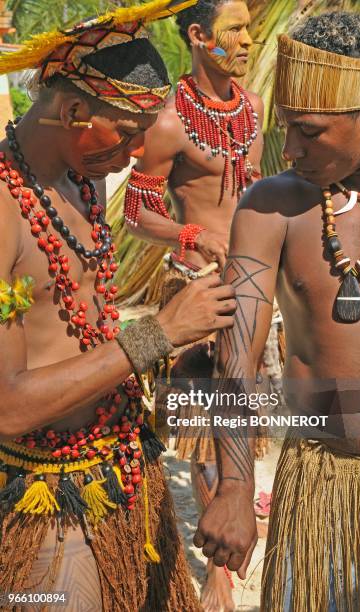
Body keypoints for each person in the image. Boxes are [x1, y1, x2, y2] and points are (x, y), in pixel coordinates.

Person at [0, 2, 237, 610]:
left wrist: (171, 354)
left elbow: (85, 322)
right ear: (75, 111)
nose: (135, 153)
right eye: (127, 132)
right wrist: (156, 333)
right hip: (46, 495)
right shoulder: (3, 208)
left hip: (129, 474)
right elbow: (7, 406)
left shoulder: (86, 176)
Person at [194, 11, 360, 611]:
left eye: (309, 132)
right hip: (318, 482)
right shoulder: (273, 205)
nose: (289, 149)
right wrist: (234, 484)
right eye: (284, 128)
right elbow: (238, 351)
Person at [122, 1, 264, 608]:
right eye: (235, 29)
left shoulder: (251, 107)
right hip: (198, 286)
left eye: (250, 29)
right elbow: (134, 209)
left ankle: (234, 522)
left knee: (245, 415)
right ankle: (219, 572)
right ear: (199, 35)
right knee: (208, 429)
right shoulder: (168, 120)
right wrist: (189, 234)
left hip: (254, 283)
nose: (248, 41)